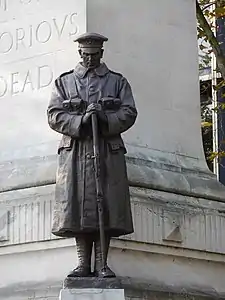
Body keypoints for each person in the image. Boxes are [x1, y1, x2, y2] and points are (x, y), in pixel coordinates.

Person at [47, 32, 137, 278]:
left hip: (107, 152)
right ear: (79, 54)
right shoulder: (63, 83)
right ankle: (82, 264)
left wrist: (105, 119)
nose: (89, 60)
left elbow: (129, 112)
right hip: (76, 153)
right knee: (78, 208)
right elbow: (54, 115)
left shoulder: (117, 82)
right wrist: (81, 120)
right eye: (86, 55)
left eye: (94, 55)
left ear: (101, 54)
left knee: (106, 206)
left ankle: (103, 264)